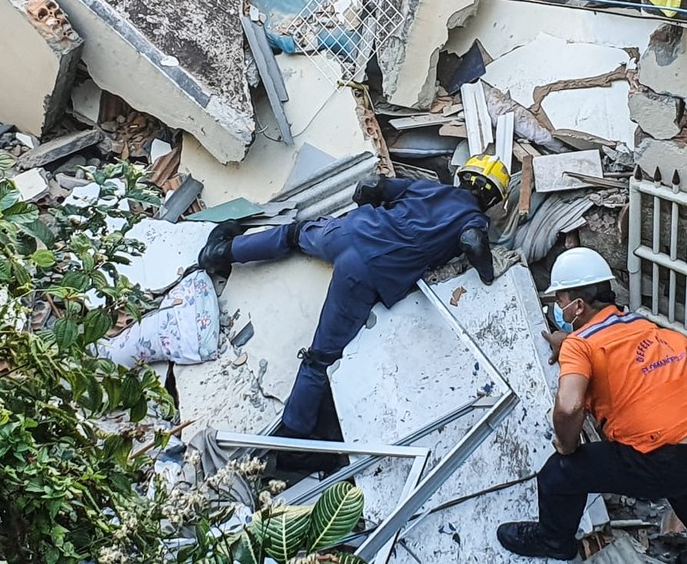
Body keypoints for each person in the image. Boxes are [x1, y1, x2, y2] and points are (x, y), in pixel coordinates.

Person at [197, 155, 510, 451]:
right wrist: (487, 273)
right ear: (493, 200)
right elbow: (472, 242)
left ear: (463, 175)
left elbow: (370, 186)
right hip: (367, 271)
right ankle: (293, 434)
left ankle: (220, 251)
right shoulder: (473, 219)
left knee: (294, 235)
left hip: (348, 231)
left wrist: (364, 212)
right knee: (321, 356)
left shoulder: (429, 187)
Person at [497, 248, 687, 564]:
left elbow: (569, 407)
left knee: (559, 475)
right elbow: (669, 351)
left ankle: (554, 541)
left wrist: (567, 446)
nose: (558, 308)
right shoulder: (642, 325)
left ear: (578, 305)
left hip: (663, 461)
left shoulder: (581, 346)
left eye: (560, 300)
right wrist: (567, 342)